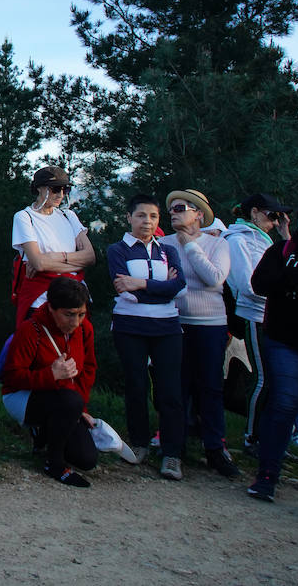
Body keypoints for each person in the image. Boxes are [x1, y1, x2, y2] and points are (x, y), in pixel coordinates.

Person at [246, 199, 298, 501]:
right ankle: (268, 473)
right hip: (285, 338)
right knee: (284, 403)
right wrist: (292, 275)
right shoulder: (284, 251)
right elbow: (259, 283)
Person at [108, 193, 187, 480]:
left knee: (170, 390)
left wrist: (141, 283)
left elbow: (179, 285)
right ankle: (139, 443)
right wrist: (158, 287)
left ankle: (172, 454)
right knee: (136, 385)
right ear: (129, 217)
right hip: (130, 327)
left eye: (153, 216)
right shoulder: (117, 249)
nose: (147, 222)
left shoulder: (167, 250)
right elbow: (123, 290)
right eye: (141, 215)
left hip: (167, 327)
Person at [160, 189, 238, 478]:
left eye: (180, 207)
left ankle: (215, 448)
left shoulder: (218, 245)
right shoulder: (163, 244)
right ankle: (173, 450)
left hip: (210, 324)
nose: (174, 212)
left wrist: (190, 245)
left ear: (199, 214)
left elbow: (214, 278)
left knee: (211, 388)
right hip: (173, 323)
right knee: (175, 389)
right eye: (172, 209)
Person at [0, 277, 98, 486]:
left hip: (65, 400)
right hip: (22, 396)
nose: (76, 322)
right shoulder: (31, 329)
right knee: (69, 401)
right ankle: (54, 464)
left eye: (81, 314)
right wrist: (50, 375)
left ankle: (43, 435)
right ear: (51, 308)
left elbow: (88, 369)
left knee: (86, 459)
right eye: (69, 315)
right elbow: (11, 377)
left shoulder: (84, 329)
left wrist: (83, 408)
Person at [223, 192, 292, 454]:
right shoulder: (238, 241)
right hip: (254, 315)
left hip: (274, 315)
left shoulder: (265, 241)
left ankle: (272, 436)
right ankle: (253, 436)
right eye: (271, 215)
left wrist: (287, 237)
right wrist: (282, 292)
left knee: (277, 379)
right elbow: (247, 284)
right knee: (262, 378)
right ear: (253, 213)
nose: (275, 222)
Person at [11, 166, 94, 322]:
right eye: (56, 189)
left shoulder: (69, 215)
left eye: (65, 189)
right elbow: (38, 263)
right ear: (40, 188)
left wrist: (52, 257)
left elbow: (90, 256)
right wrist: (77, 262)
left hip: (75, 299)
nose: (61, 194)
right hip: (40, 299)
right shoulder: (24, 217)